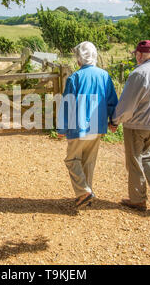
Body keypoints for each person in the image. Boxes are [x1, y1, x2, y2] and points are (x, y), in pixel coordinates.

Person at [109, 40, 150, 211]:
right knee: (148, 156)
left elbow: (128, 103)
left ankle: (138, 199)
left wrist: (115, 120)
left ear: (139, 55)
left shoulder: (138, 73)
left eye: (136, 55)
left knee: (134, 160)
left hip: (136, 124)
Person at [57, 41, 118, 209]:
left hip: (78, 126)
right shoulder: (104, 76)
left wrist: (62, 129)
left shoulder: (74, 78)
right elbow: (112, 101)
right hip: (97, 126)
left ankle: (83, 191)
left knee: (72, 159)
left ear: (79, 59)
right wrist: (114, 121)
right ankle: (86, 195)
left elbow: (67, 104)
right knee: (88, 161)